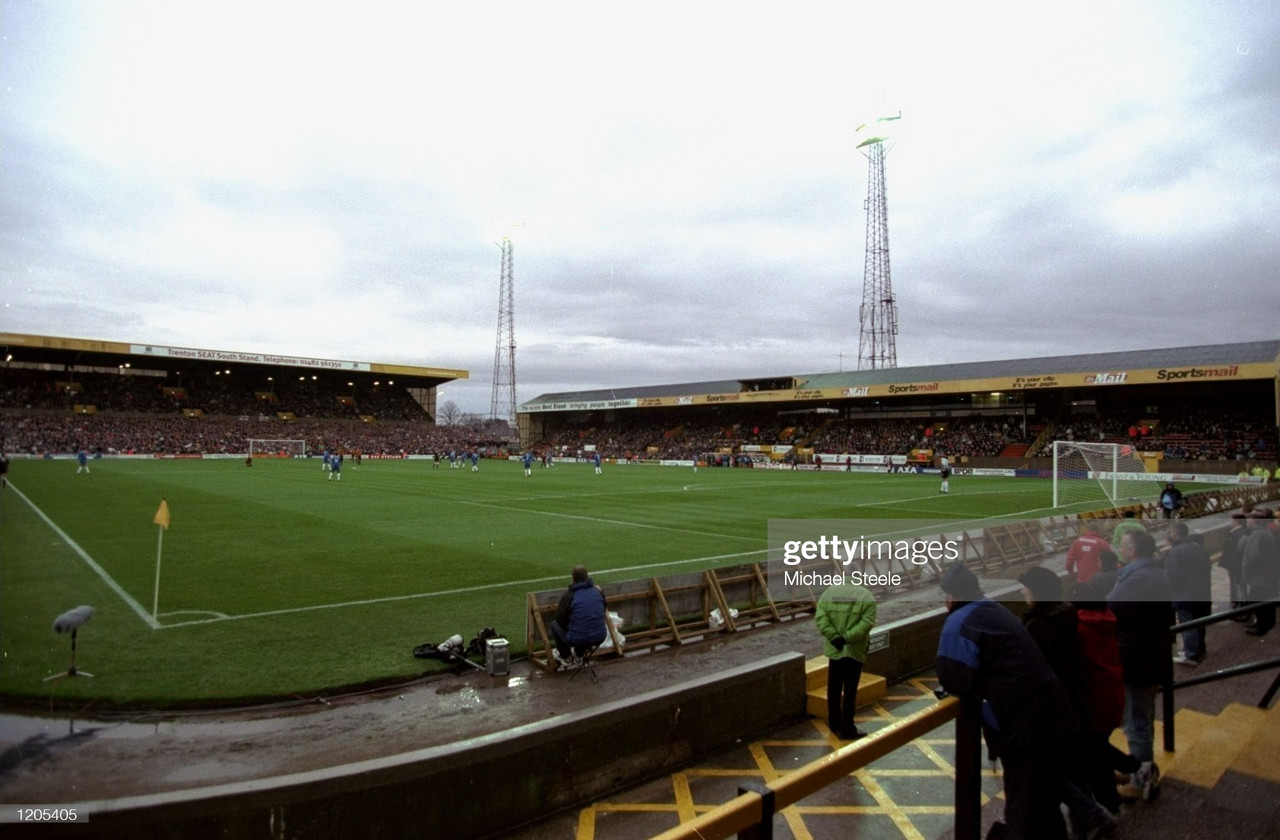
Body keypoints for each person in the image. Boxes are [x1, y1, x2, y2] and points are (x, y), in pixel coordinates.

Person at [936, 563, 1074, 840]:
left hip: (1023, 723)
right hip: (1054, 712)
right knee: (1044, 801)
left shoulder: (960, 620)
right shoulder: (993, 609)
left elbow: (951, 675)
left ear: (949, 597)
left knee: (1022, 803)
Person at [1016, 566, 1115, 840]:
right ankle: (1084, 828)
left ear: (1036, 592)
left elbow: (1029, 670)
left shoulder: (1038, 626)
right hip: (1075, 703)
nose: (1023, 592)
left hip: (1051, 711)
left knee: (1046, 770)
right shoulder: (1068, 615)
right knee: (1074, 768)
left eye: (1026, 588)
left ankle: (1093, 814)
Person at [1107, 528, 1172, 803]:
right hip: (1150, 657)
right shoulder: (1153, 572)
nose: (1120, 549)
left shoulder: (1138, 578)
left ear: (1132, 550)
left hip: (1138, 660)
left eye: (1123, 545)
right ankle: (1138, 769)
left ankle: (1140, 778)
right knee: (1139, 717)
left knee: (1137, 720)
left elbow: (1113, 608)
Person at [814, 576, 878, 741]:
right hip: (854, 651)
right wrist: (847, 638)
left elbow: (821, 617)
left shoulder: (829, 593)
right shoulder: (866, 596)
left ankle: (834, 723)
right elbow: (866, 623)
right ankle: (848, 728)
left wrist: (835, 637)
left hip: (835, 650)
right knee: (850, 691)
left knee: (833, 688)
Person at [1164, 521, 1212, 665]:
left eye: (1170, 532)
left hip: (1184, 594)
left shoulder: (1175, 552)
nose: (1168, 534)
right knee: (1199, 622)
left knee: (1187, 624)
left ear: (1177, 534)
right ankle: (1199, 649)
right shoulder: (1197, 547)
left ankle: (1191, 654)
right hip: (1201, 592)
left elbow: (1171, 576)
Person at [550, 566, 608, 669]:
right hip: (600, 636)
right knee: (584, 627)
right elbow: (603, 609)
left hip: (578, 638)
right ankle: (579, 654)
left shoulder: (570, 595)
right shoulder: (598, 592)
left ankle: (566, 656)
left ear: (573, 578)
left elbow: (560, 620)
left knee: (555, 625)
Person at [1241, 510, 1280, 636]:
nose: (1247, 521)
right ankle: (1265, 624)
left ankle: (1262, 626)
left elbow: (1251, 556)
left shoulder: (1257, 535)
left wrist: (1245, 568)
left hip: (1260, 575)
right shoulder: (1264, 532)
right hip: (1267, 574)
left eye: (1250, 519)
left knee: (1259, 601)